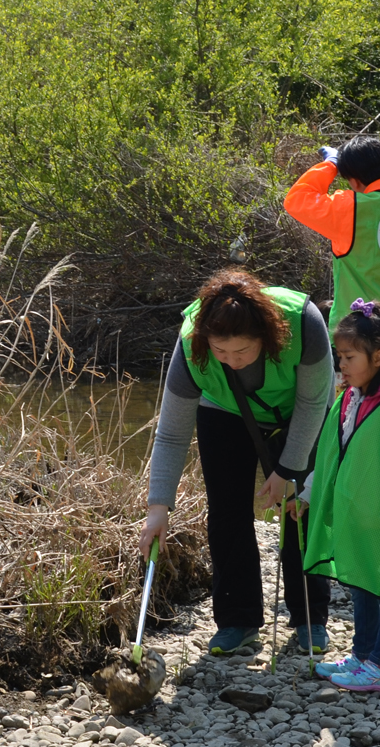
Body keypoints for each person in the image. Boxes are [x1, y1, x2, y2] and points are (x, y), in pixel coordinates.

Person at [139, 270, 334, 656]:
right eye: (221, 352)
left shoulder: (303, 323)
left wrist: (286, 471)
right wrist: (157, 507)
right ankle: (237, 620)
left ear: (266, 336)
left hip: (299, 413)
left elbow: (315, 402)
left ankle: (310, 617)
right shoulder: (190, 343)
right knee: (226, 512)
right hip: (225, 411)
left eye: (242, 352)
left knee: (301, 508)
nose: (231, 362)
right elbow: (172, 434)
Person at [283, 135, 380, 541]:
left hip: (362, 340)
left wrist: (329, 165)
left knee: (348, 429)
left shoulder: (348, 206)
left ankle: (347, 523)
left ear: (353, 179)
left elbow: (297, 200)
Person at [296, 300, 380, 692]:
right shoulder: (349, 399)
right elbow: (330, 456)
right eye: (340, 356)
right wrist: (306, 495)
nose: (342, 364)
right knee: (361, 585)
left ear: (378, 357)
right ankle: (362, 656)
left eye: (349, 356)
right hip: (359, 518)